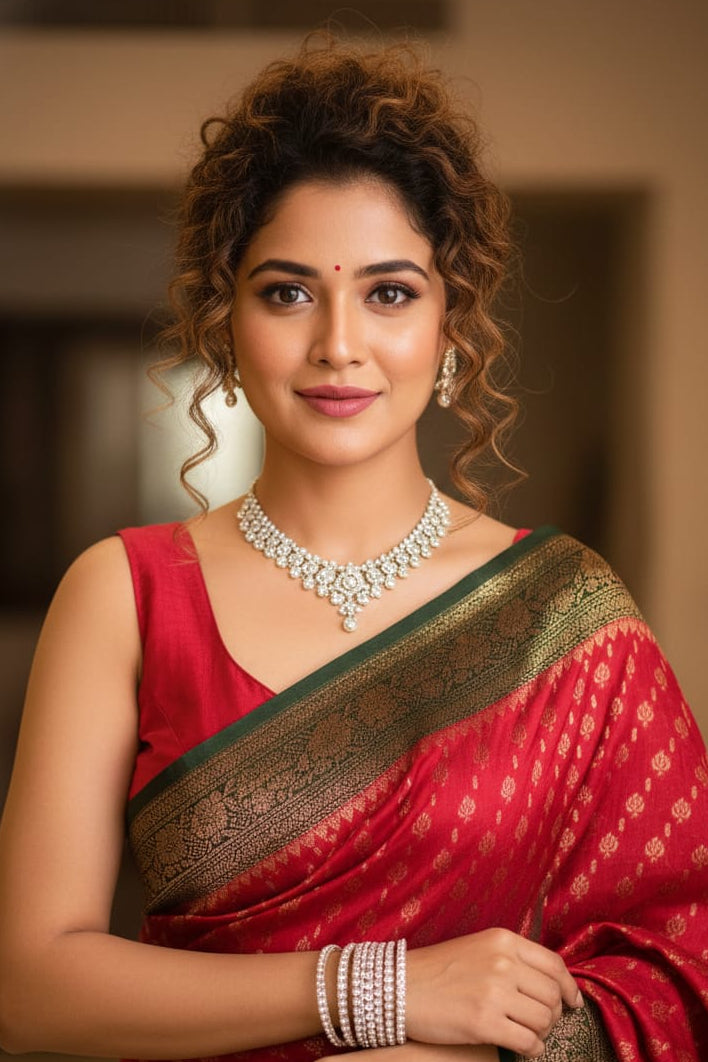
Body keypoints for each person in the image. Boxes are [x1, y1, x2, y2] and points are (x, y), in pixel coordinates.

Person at [0, 35, 706, 1062]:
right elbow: (29, 987)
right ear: (226, 322)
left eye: (390, 293)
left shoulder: (564, 614)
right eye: (287, 292)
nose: (338, 344)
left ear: (451, 326)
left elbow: (681, 962)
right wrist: (381, 990)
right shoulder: (124, 594)